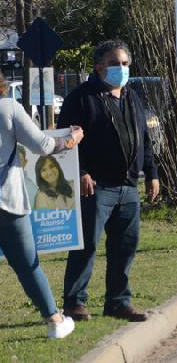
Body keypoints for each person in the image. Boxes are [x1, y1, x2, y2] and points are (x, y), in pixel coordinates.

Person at [59, 40, 160, 323]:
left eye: (125, 63)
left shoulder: (132, 97)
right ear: (99, 66)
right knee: (87, 244)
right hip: (96, 186)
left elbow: (144, 139)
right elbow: (67, 140)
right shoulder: (81, 98)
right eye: (115, 63)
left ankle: (118, 301)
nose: (122, 68)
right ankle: (74, 302)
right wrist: (81, 171)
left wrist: (152, 174)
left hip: (128, 186)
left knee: (125, 245)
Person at [0, 73, 84, 339]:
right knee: (27, 265)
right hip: (8, 202)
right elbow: (44, 146)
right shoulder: (9, 108)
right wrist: (71, 139)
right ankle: (55, 320)